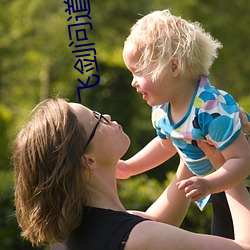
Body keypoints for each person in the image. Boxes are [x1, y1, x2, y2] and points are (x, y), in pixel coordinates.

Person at [13, 98, 250, 250]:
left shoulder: (72, 234)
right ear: (88, 160)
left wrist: (190, 137)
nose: (106, 116)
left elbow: (157, 221)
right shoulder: (138, 238)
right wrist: (226, 165)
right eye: (97, 120)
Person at [119, 9, 250, 238]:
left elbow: (242, 160)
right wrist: (130, 167)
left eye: (138, 72)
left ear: (173, 67)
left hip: (239, 185)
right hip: (220, 188)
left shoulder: (211, 109)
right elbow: (166, 145)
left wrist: (209, 184)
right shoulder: (162, 110)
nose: (133, 82)